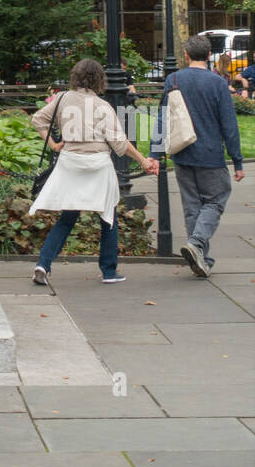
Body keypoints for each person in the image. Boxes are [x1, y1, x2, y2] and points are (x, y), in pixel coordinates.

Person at [29, 58, 159, 286]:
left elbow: (38, 119)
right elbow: (119, 142)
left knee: (67, 217)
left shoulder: (62, 99)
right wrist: (143, 160)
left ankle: (43, 263)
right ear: (99, 79)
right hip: (98, 165)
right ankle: (109, 270)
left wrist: (53, 144)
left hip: (70, 162)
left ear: (75, 76)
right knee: (108, 216)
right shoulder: (102, 106)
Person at [152, 35, 245, 277]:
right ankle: (196, 244)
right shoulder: (217, 83)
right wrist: (236, 159)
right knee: (215, 200)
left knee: (192, 206)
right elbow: (229, 124)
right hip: (210, 154)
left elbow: (164, 117)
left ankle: (202, 258)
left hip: (182, 152)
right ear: (209, 55)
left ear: (186, 55)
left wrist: (155, 150)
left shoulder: (173, 79)